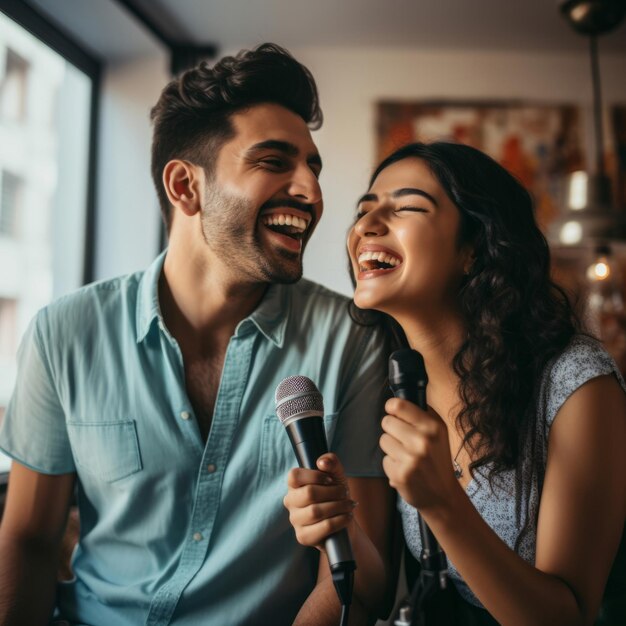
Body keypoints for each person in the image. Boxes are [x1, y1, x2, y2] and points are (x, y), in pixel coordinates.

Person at [0, 44, 396, 626]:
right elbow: (30, 542)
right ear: (186, 185)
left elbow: (359, 577)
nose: (311, 192)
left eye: (313, 167)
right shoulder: (65, 334)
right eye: (273, 161)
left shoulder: (355, 339)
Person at [284, 141, 626, 624]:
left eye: (405, 208)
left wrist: (443, 501)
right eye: (364, 211)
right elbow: (376, 589)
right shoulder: (388, 381)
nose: (366, 227)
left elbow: (568, 616)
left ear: (474, 249)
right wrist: (340, 525)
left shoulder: (576, 382)